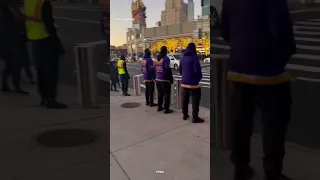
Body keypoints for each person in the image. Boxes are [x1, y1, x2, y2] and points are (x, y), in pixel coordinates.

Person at [220, 0, 296, 179]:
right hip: (269, 70)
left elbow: (225, 31)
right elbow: (280, 28)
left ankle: (241, 168)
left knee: (241, 122)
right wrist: (285, 53)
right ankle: (272, 172)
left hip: (239, 68)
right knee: (274, 126)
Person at [25, 0, 66, 108]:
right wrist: (57, 43)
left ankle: (43, 97)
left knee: (40, 71)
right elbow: (48, 23)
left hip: (34, 37)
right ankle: (51, 99)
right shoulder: (43, 2)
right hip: (46, 37)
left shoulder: (28, 1)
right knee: (51, 71)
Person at [0, 1, 28, 94]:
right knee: (16, 63)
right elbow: (17, 19)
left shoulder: (6, 10)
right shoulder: (11, 8)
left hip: (6, 40)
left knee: (9, 63)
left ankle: (5, 85)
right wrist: (25, 17)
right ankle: (16, 86)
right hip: (13, 40)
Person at [179, 43, 204, 123]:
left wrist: (184, 77)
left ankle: (185, 114)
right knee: (195, 99)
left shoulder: (183, 57)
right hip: (193, 83)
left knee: (185, 99)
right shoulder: (194, 57)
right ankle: (195, 116)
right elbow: (198, 71)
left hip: (184, 82)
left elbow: (180, 70)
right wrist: (198, 79)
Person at [155, 46, 173, 114]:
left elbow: (154, 68)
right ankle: (166, 109)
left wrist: (155, 76)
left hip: (157, 78)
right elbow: (167, 69)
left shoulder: (156, 58)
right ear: (165, 51)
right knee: (167, 94)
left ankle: (159, 107)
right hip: (164, 79)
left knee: (160, 93)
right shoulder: (166, 58)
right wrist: (170, 79)